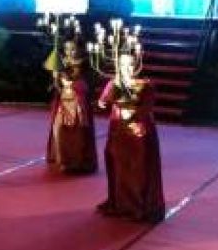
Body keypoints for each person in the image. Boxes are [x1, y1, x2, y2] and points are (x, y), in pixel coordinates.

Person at [96, 47, 164, 221]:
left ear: (137, 65)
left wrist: (131, 115)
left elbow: (146, 108)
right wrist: (105, 101)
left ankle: (137, 206)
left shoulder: (145, 85)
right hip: (118, 132)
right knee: (118, 166)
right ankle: (120, 202)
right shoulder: (114, 83)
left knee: (137, 168)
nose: (126, 67)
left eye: (129, 64)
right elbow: (103, 101)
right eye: (122, 64)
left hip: (136, 132)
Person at [46, 39, 97, 174]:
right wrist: (55, 77)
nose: (70, 52)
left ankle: (76, 161)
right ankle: (63, 159)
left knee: (77, 134)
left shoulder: (84, 64)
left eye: (73, 48)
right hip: (63, 102)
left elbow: (82, 83)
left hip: (77, 104)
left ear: (78, 50)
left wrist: (65, 76)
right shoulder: (60, 62)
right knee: (58, 129)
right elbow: (57, 87)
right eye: (67, 48)